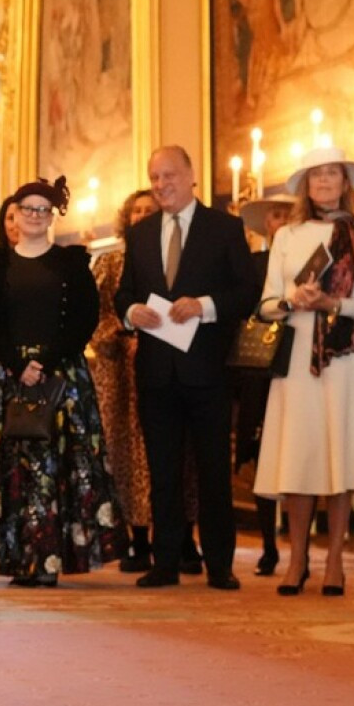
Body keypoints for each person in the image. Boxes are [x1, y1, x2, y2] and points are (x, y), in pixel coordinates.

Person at [0, 178, 115, 587]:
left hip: (60, 377)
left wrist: (44, 362)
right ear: (16, 213)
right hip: (7, 377)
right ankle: (15, 559)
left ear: (52, 216)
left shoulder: (72, 264)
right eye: (28, 208)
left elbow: (85, 319)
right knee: (11, 469)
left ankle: (49, 559)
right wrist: (18, 364)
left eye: (43, 209)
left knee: (57, 469)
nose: (35, 216)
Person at [112, 145, 256, 590]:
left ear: (191, 175)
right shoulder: (140, 235)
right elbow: (123, 294)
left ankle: (220, 565)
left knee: (214, 473)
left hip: (208, 372)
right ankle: (166, 562)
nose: (161, 185)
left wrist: (204, 306)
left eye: (169, 176)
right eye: (154, 177)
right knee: (164, 473)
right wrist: (131, 312)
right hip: (156, 373)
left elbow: (247, 292)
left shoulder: (225, 228)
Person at [252, 148, 354, 595]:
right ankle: (297, 559)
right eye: (317, 175)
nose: (325, 181)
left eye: (333, 174)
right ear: (306, 186)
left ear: (345, 183)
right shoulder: (287, 236)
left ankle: (334, 560)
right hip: (296, 356)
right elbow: (266, 304)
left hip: (345, 358)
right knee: (300, 454)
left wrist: (333, 303)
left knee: (339, 452)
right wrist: (292, 300)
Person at [89, 189, 159, 571]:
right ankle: (135, 539)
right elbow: (94, 314)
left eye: (151, 210)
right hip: (119, 375)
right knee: (125, 457)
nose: (144, 216)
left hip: (164, 365)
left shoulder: (170, 257)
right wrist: (120, 336)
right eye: (138, 211)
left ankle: (177, 538)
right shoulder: (111, 261)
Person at [234, 194, 296, 576]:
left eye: (288, 214)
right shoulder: (253, 264)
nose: (282, 220)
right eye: (276, 215)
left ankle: (299, 546)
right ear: (267, 224)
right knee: (261, 456)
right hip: (259, 371)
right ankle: (269, 547)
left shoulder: (308, 261)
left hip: (301, 364)